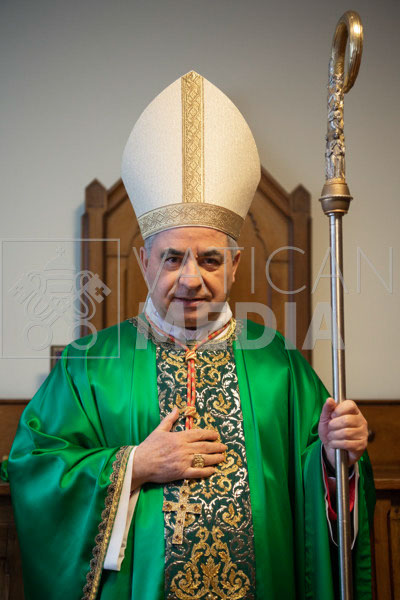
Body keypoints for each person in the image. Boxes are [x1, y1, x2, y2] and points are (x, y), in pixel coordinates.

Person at [4, 71, 374, 600]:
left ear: (236, 264)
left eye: (210, 259)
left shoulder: (280, 366)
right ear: (144, 261)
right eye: (173, 258)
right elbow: (35, 467)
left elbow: (317, 492)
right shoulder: (90, 364)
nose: (191, 279)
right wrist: (134, 465)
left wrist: (340, 461)